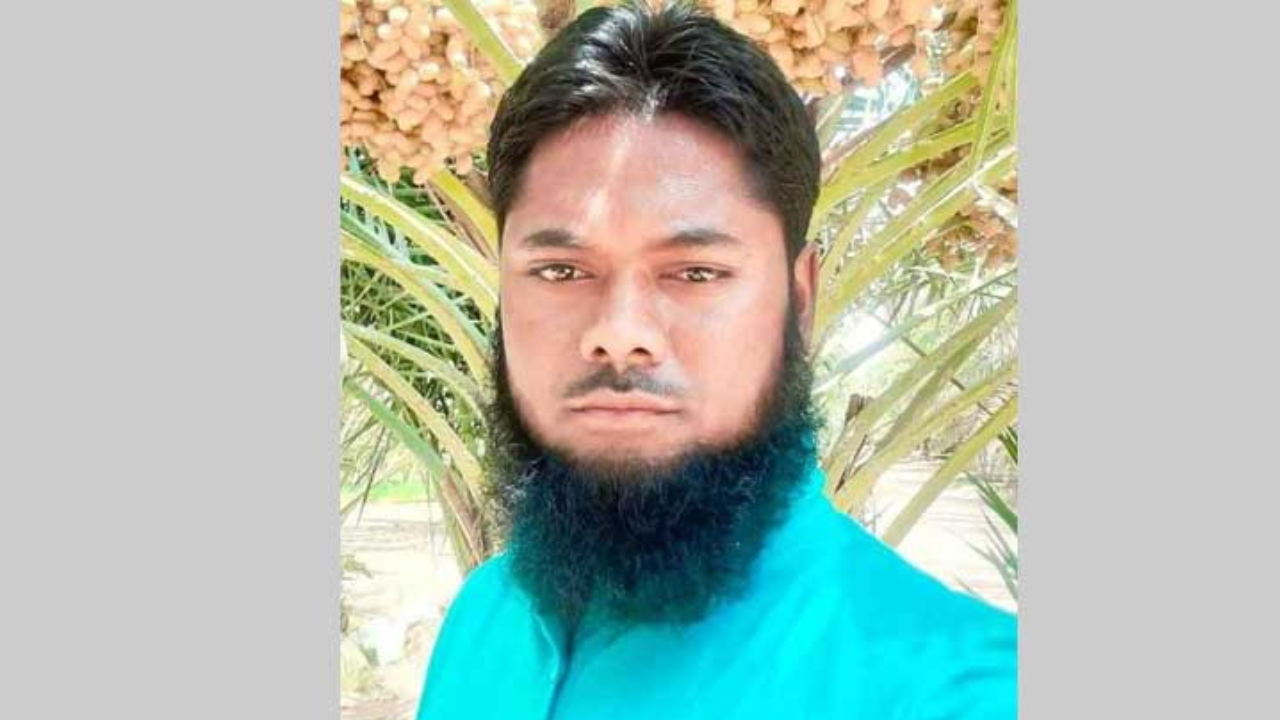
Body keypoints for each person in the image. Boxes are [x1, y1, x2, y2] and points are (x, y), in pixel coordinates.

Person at [416, 2, 1016, 718]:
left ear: (800, 298)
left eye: (695, 272)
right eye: (561, 271)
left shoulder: (967, 688)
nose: (618, 333)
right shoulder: (482, 620)